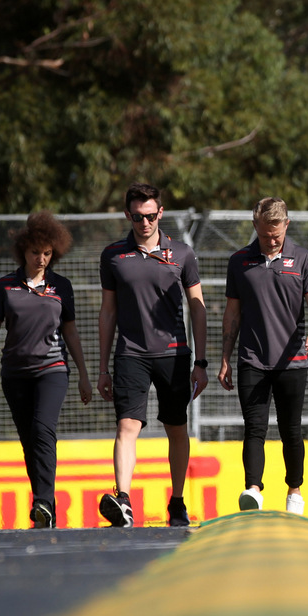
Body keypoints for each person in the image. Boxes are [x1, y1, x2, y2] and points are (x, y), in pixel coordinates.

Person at [96, 182, 208, 527]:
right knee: (127, 425)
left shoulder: (183, 254)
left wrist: (201, 362)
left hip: (174, 354)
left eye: (149, 215)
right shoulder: (113, 255)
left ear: (160, 213)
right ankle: (124, 500)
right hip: (130, 353)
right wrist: (102, 367)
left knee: (176, 427)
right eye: (136, 216)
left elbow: (198, 307)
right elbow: (108, 312)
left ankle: (177, 502)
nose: (143, 223)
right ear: (128, 215)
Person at [0, 212, 92, 529]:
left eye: (48, 253)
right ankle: (45, 508)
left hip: (52, 369)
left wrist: (83, 374)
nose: (42, 258)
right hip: (14, 374)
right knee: (29, 440)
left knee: (43, 430)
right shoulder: (5, 287)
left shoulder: (61, 286)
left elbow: (71, 333)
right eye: (36, 252)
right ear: (23, 251)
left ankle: (42, 501)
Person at [218, 197, 308, 515]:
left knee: (291, 428)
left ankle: (294, 491)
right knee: (253, 427)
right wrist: (225, 357)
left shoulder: (304, 259)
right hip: (252, 360)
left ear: (286, 225)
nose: (271, 240)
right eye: (265, 234)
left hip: (292, 360)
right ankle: (253, 490)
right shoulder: (239, 261)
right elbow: (232, 313)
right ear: (255, 227)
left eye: (276, 234)